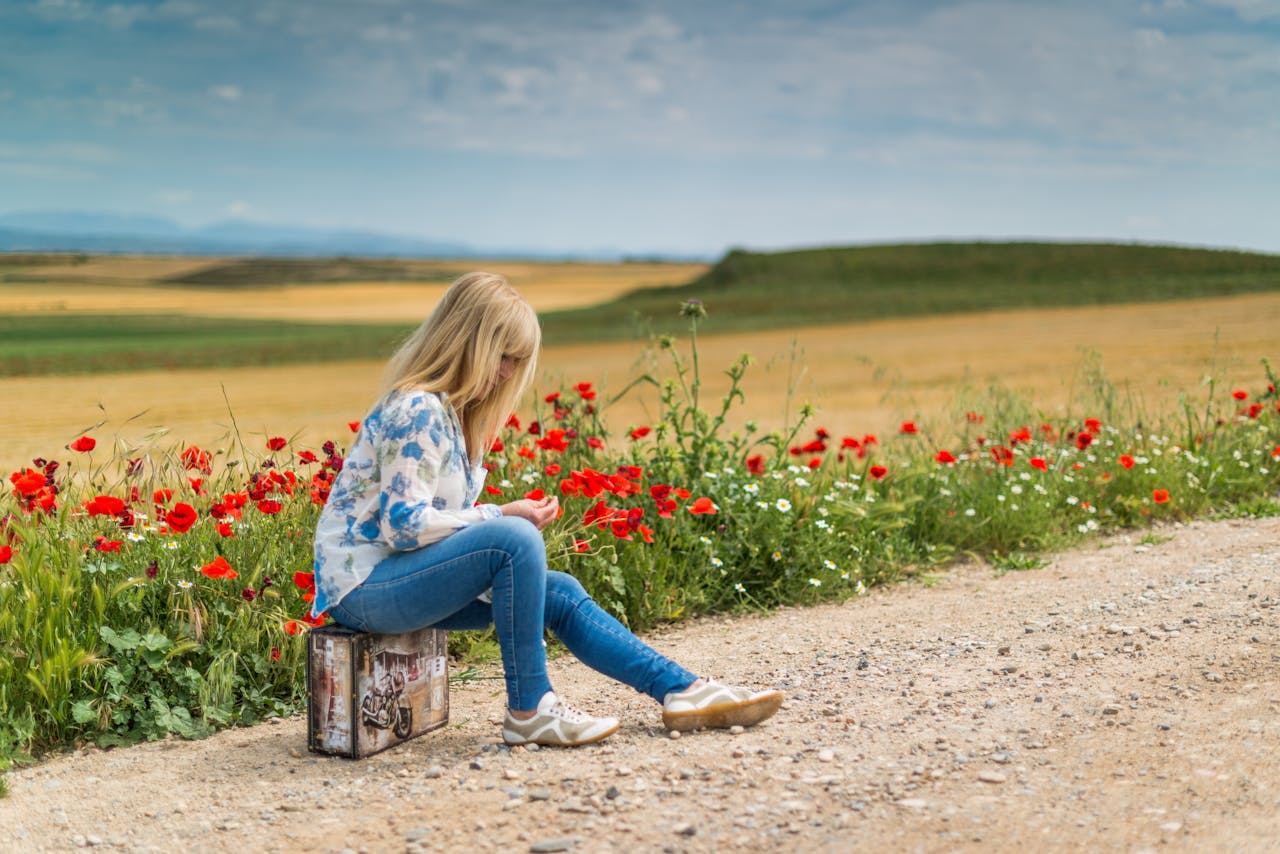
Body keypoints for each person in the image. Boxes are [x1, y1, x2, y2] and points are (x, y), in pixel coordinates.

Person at [311, 272, 782, 747]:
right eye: (505, 356)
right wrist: (500, 516)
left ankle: (682, 690)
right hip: (364, 589)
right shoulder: (417, 410)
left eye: (518, 360)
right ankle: (530, 708)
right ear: (469, 343)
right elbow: (403, 527)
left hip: (402, 579)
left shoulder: (452, 417)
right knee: (514, 539)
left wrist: (498, 522)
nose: (509, 373)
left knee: (556, 590)